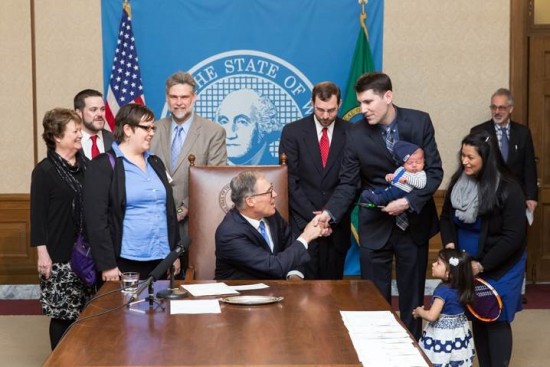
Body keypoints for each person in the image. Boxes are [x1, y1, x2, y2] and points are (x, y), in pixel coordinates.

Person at [314, 72, 443, 339]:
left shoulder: (419, 121)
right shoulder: (355, 132)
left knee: (412, 300)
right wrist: (330, 212)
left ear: (388, 96)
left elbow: (434, 172)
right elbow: (349, 183)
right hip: (375, 227)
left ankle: (412, 352)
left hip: (414, 224)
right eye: (360, 102)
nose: (362, 110)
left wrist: (407, 201)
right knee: (374, 302)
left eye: (368, 102)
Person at [440, 131, 526, 367]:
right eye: (462, 155)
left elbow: (513, 236)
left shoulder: (508, 189)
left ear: (486, 159)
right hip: (468, 262)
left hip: (501, 264)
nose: (464, 161)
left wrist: (482, 264)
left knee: (496, 316)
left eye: (470, 157)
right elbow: (446, 217)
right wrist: (450, 247)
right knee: (478, 315)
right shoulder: (459, 182)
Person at [83, 103, 180, 281]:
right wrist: (108, 265)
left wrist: (174, 254)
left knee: (162, 309)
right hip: (125, 262)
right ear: (128, 129)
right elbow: (96, 221)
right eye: (146, 128)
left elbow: (170, 213)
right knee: (129, 309)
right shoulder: (103, 165)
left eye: (153, 128)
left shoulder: (156, 162)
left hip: (162, 259)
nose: (151, 133)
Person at [30, 108, 94, 349]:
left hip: (88, 253)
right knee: (63, 315)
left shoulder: (87, 166)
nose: (80, 135)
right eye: (75, 131)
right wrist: (42, 254)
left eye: (80, 130)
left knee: (88, 313)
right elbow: (37, 216)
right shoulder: (44, 171)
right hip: (58, 254)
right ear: (57, 136)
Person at [151, 71, 227, 267]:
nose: (179, 102)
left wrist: (183, 208)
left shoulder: (214, 132)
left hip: (196, 222)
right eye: (174, 97)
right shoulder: (152, 130)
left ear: (194, 98)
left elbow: (214, 178)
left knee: (195, 281)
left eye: (184, 97)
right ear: (167, 98)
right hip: (156, 223)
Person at [279, 81, 352, 279]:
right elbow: (290, 180)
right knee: (303, 294)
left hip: (336, 227)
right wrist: (315, 218)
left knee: (333, 292)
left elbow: (351, 181)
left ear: (340, 104)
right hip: (303, 224)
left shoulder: (352, 133)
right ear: (312, 103)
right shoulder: (292, 132)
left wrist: (329, 216)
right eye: (320, 110)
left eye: (331, 110)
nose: (326, 116)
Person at [215, 170, 328, 280]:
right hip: (242, 295)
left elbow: (291, 247)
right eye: (269, 191)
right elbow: (273, 266)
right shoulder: (229, 234)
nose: (275, 194)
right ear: (250, 201)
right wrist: (306, 236)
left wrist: (294, 276)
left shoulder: (271, 215)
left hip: (277, 293)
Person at [470, 88, 538, 215]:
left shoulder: (523, 133)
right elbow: (472, 165)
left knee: (514, 233)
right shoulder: (478, 132)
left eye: (501, 108)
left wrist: (531, 196)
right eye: (494, 107)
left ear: (510, 109)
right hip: (487, 197)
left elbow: (529, 167)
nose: (497, 112)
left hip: (515, 196)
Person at [412, 249, 476, 367]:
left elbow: (432, 316)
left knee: (440, 359)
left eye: (438, 263)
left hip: (443, 336)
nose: (433, 264)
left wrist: (420, 312)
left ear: (449, 273)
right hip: (458, 334)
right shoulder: (462, 287)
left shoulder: (442, 291)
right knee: (455, 359)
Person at [215, 88, 283, 165]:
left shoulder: (279, 169)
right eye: (224, 121)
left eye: (242, 122)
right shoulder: (210, 170)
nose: (230, 134)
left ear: (264, 126)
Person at [361, 141, 426, 207]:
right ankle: (373, 193)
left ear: (423, 162)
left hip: (403, 190)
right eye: (410, 163)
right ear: (403, 164)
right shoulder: (401, 169)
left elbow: (421, 184)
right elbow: (395, 176)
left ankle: (378, 200)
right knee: (385, 189)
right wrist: (389, 176)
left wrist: (407, 180)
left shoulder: (420, 173)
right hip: (393, 186)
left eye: (418, 162)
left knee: (390, 193)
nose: (414, 165)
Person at [74, 89, 114, 159]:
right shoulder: (69, 141)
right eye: (93, 110)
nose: (100, 114)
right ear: (79, 113)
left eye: (102, 109)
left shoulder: (115, 140)